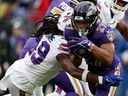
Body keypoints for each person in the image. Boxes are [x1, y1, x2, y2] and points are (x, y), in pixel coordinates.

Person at [63, 1, 123, 96]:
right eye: (77, 22)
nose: (80, 26)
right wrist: (76, 53)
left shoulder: (103, 31)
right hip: (92, 69)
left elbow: (108, 59)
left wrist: (90, 46)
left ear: (93, 20)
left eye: (84, 22)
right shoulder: (70, 31)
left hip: (109, 70)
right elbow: (75, 63)